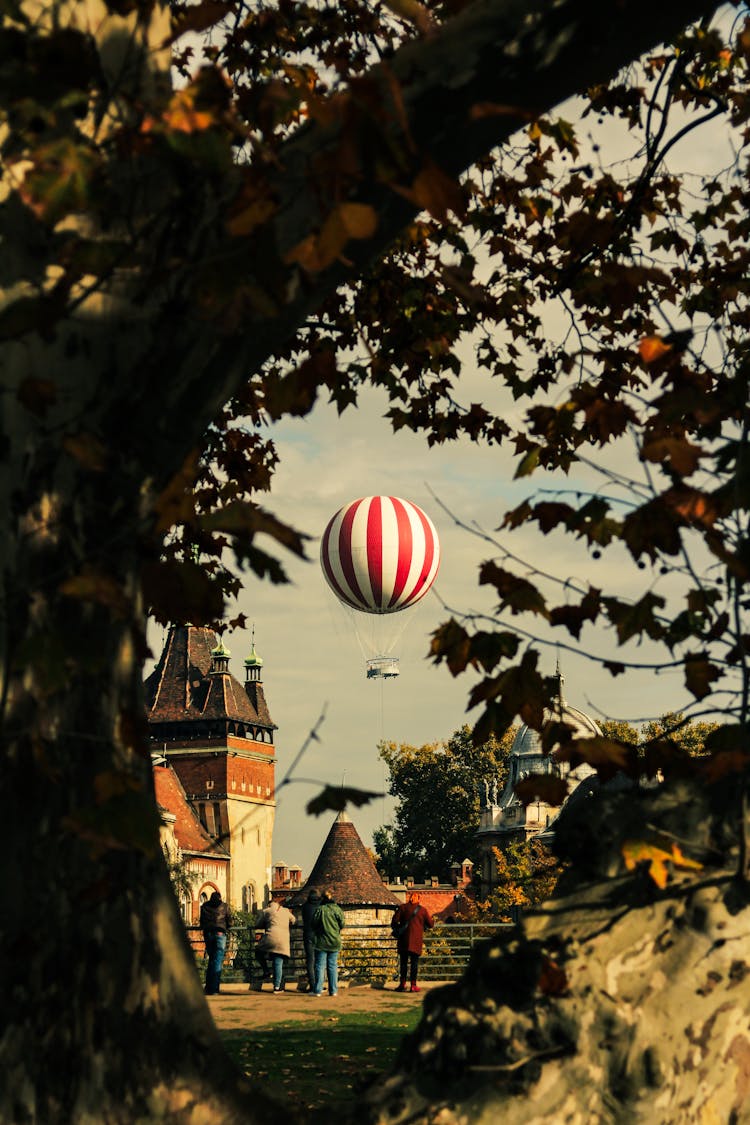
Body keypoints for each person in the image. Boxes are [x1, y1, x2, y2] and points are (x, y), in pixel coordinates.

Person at [390, 892, 433, 993]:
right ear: (418, 899)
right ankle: (413, 985)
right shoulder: (422, 910)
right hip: (416, 941)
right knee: (414, 964)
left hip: (404, 940)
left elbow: (394, 921)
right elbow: (430, 924)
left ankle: (402, 984)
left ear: (410, 898)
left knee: (403, 963)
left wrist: (399, 928)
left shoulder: (403, 907)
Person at [255, 898, 295, 993]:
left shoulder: (266, 911)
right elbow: (293, 920)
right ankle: (277, 987)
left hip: (270, 937)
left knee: (258, 951)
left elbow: (258, 924)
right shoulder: (285, 911)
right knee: (278, 961)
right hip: (283, 940)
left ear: (269, 904)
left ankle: (266, 971)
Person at [311, 888, 345, 997]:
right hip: (335, 941)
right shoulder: (337, 909)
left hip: (321, 941)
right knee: (332, 966)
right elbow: (342, 924)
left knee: (320, 966)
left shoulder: (320, 909)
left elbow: (314, 923)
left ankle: (318, 990)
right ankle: (333, 990)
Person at [200, 890, 232, 996]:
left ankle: (208, 987)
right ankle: (214, 989)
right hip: (220, 934)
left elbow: (202, 921)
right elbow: (230, 921)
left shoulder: (204, 906)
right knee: (217, 961)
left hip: (208, 934)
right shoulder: (225, 906)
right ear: (220, 898)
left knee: (212, 960)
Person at [300, 888, 322, 992]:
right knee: (320, 960)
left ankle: (313, 986)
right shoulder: (322, 906)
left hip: (308, 934)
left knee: (310, 961)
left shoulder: (305, 906)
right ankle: (320, 984)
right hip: (319, 935)